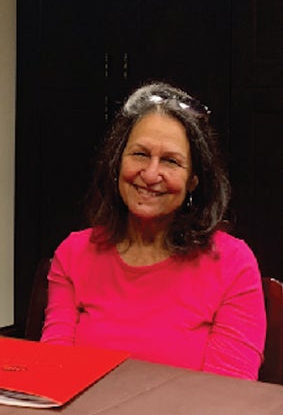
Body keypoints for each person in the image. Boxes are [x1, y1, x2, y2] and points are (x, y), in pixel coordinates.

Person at [41, 82, 266, 380]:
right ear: (117, 162)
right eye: (140, 154)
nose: (150, 174)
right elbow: (52, 373)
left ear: (194, 181)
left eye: (171, 161)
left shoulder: (233, 264)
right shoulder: (72, 254)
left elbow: (225, 397)